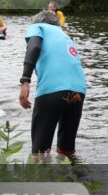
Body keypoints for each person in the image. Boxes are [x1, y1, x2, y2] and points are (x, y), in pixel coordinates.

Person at [19, 10, 87, 161]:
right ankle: (75, 179)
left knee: (40, 154)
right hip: (78, 91)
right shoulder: (65, 35)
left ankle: (40, 181)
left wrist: (25, 80)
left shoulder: (38, 27)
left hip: (52, 90)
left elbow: (34, 47)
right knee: (66, 152)